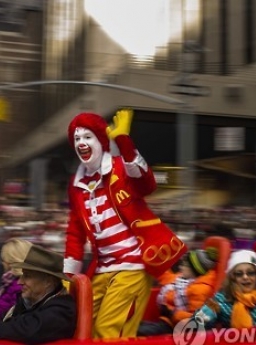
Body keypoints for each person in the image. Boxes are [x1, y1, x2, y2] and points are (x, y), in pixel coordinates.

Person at [62, 110, 186, 338]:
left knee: (109, 331)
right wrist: (68, 277)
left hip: (133, 265)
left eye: (87, 137)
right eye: (77, 138)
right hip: (102, 269)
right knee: (82, 328)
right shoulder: (76, 183)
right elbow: (75, 231)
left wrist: (123, 142)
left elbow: (146, 184)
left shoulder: (120, 167)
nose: (81, 142)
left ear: (100, 140)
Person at [0, 243, 76, 344]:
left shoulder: (61, 311)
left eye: (27, 276)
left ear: (48, 282)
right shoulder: (31, 301)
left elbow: (30, 330)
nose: (20, 282)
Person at [137, 248, 218, 336]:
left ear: (195, 270)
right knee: (132, 325)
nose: (180, 267)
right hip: (165, 320)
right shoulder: (180, 278)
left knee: (139, 331)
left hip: (177, 329)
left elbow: (195, 319)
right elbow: (165, 276)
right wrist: (154, 258)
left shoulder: (200, 290)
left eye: (185, 265)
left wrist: (173, 314)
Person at [193, 250, 256, 329]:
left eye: (251, 273)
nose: (245, 277)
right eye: (239, 274)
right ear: (233, 279)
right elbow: (196, 326)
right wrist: (205, 315)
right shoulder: (222, 298)